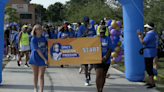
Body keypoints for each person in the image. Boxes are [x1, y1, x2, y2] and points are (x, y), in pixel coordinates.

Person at [137, 22, 158, 88]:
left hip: (149, 53)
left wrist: (139, 36)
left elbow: (143, 42)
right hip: (152, 51)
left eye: (146, 27)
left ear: (148, 28)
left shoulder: (150, 34)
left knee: (148, 68)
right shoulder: (154, 33)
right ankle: (150, 82)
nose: (146, 28)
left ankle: (152, 83)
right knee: (149, 67)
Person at [77, 16, 96, 86]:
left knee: (93, 63)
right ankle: (86, 78)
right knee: (85, 64)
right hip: (84, 48)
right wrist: (85, 32)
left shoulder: (92, 27)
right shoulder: (80, 28)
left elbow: (94, 35)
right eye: (85, 21)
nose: (87, 22)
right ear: (83, 22)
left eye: (87, 21)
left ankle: (88, 71)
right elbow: (79, 38)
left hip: (92, 48)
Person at [29, 24, 48, 92]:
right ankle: (35, 88)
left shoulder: (43, 38)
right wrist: (45, 59)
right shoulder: (33, 39)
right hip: (35, 57)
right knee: (35, 75)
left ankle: (41, 90)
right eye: (39, 29)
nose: (41, 30)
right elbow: (38, 50)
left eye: (41, 29)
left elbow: (47, 45)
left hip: (42, 58)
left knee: (41, 75)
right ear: (35, 30)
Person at [94, 25, 112, 92]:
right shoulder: (95, 38)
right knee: (99, 74)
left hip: (106, 60)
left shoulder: (107, 39)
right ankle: (98, 90)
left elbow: (110, 49)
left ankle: (101, 89)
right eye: (101, 32)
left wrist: (105, 57)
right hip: (97, 60)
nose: (102, 34)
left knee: (103, 75)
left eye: (103, 33)